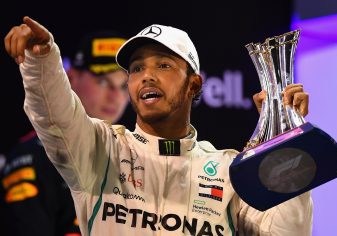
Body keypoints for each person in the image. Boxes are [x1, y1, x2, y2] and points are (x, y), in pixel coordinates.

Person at [4, 16, 312, 236]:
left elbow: (287, 231)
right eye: (137, 68)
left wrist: (285, 146)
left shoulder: (229, 170)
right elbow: (55, 118)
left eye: (163, 65)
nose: (147, 76)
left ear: (194, 85)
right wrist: (41, 61)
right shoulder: (101, 150)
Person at [1, 27, 129, 236]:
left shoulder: (133, 158)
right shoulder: (34, 157)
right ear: (71, 77)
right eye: (103, 81)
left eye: (124, 86)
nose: (115, 96)